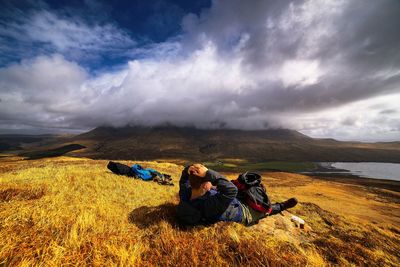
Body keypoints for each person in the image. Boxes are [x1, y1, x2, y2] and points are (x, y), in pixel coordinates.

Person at [177, 164, 298, 226]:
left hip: (231, 202)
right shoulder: (209, 205)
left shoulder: (186, 192)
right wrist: (208, 173)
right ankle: (282, 206)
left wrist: (191, 169)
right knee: (262, 208)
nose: (212, 183)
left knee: (244, 184)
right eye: (209, 181)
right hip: (243, 212)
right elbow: (232, 190)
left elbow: (184, 177)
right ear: (204, 186)